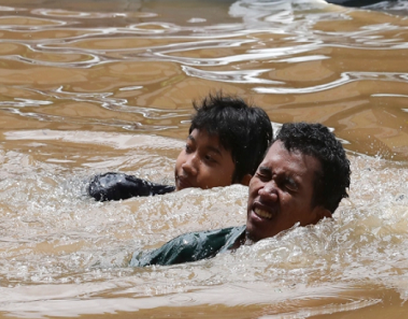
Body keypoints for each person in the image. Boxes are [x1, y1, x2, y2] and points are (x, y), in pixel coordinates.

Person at [130, 122, 351, 266]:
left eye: (288, 185)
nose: (266, 191)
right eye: (263, 174)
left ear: (319, 218)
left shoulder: (323, 273)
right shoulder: (191, 250)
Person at [88, 92, 273, 201]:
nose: (187, 165)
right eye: (189, 148)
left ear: (243, 183)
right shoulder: (130, 192)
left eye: (208, 158)